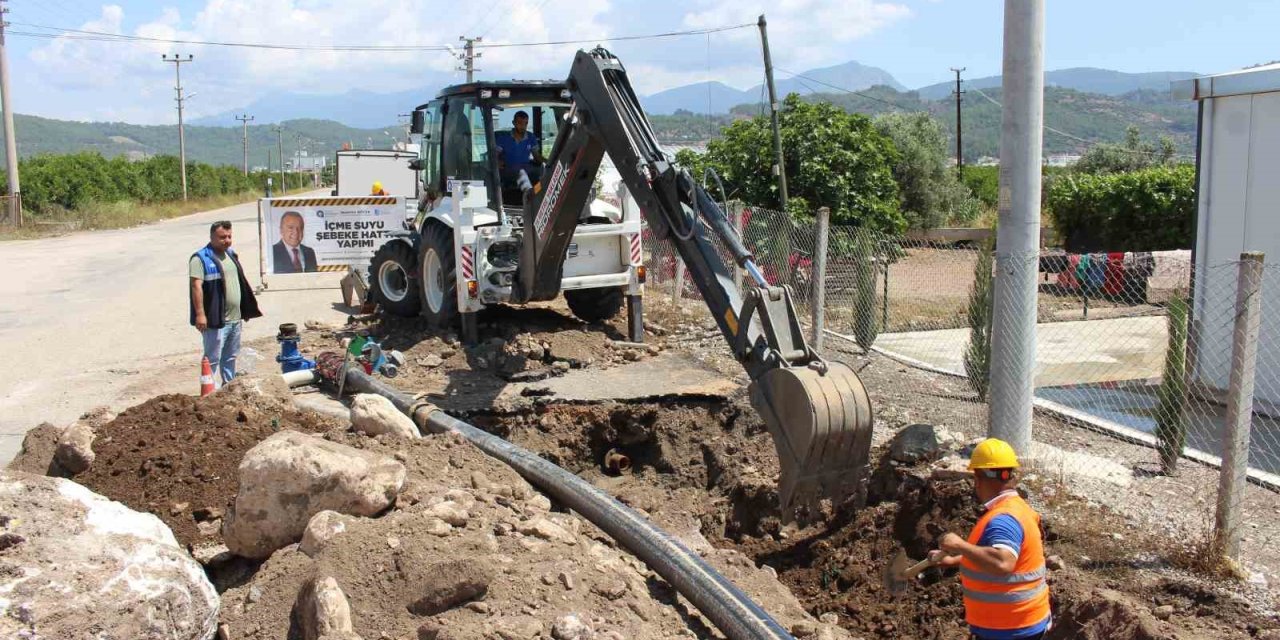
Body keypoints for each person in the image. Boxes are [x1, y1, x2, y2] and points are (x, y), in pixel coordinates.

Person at [928, 438, 1051, 640]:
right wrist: (953, 560)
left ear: (979, 480)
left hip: (1010, 629)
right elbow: (1005, 558)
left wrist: (959, 545)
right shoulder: (1018, 508)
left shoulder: (1003, 520)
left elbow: (1003, 562)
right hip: (1021, 623)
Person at [190, 221, 262, 388]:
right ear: (212, 237)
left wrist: (245, 309)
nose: (227, 240)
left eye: (229, 236)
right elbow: (196, 287)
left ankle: (228, 387)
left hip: (235, 318)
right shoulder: (200, 258)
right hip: (215, 319)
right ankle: (209, 391)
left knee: (230, 356)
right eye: (222, 237)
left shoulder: (230, 254)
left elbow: (239, 283)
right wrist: (200, 314)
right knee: (212, 357)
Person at [495, 110, 545, 187]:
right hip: (509, 170)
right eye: (520, 123)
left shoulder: (531, 137)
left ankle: (539, 192)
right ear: (514, 123)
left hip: (526, 169)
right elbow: (494, 155)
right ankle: (529, 192)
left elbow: (537, 156)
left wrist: (549, 163)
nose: (523, 126)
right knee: (522, 174)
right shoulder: (503, 138)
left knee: (543, 173)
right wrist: (497, 161)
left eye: (525, 123)